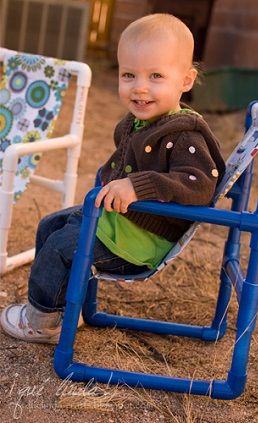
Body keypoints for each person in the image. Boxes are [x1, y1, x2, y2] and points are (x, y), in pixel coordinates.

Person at [0, 14, 225, 343]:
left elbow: (200, 184)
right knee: (49, 226)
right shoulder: (143, 121)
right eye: (129, 75)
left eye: (156, 76)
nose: (140, 87)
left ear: (186, 80)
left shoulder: (185, 135)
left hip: (140, 239)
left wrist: (137, 186)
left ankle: (42, 321)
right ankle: (64, 309)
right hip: (117, 221)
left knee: (63, 248)